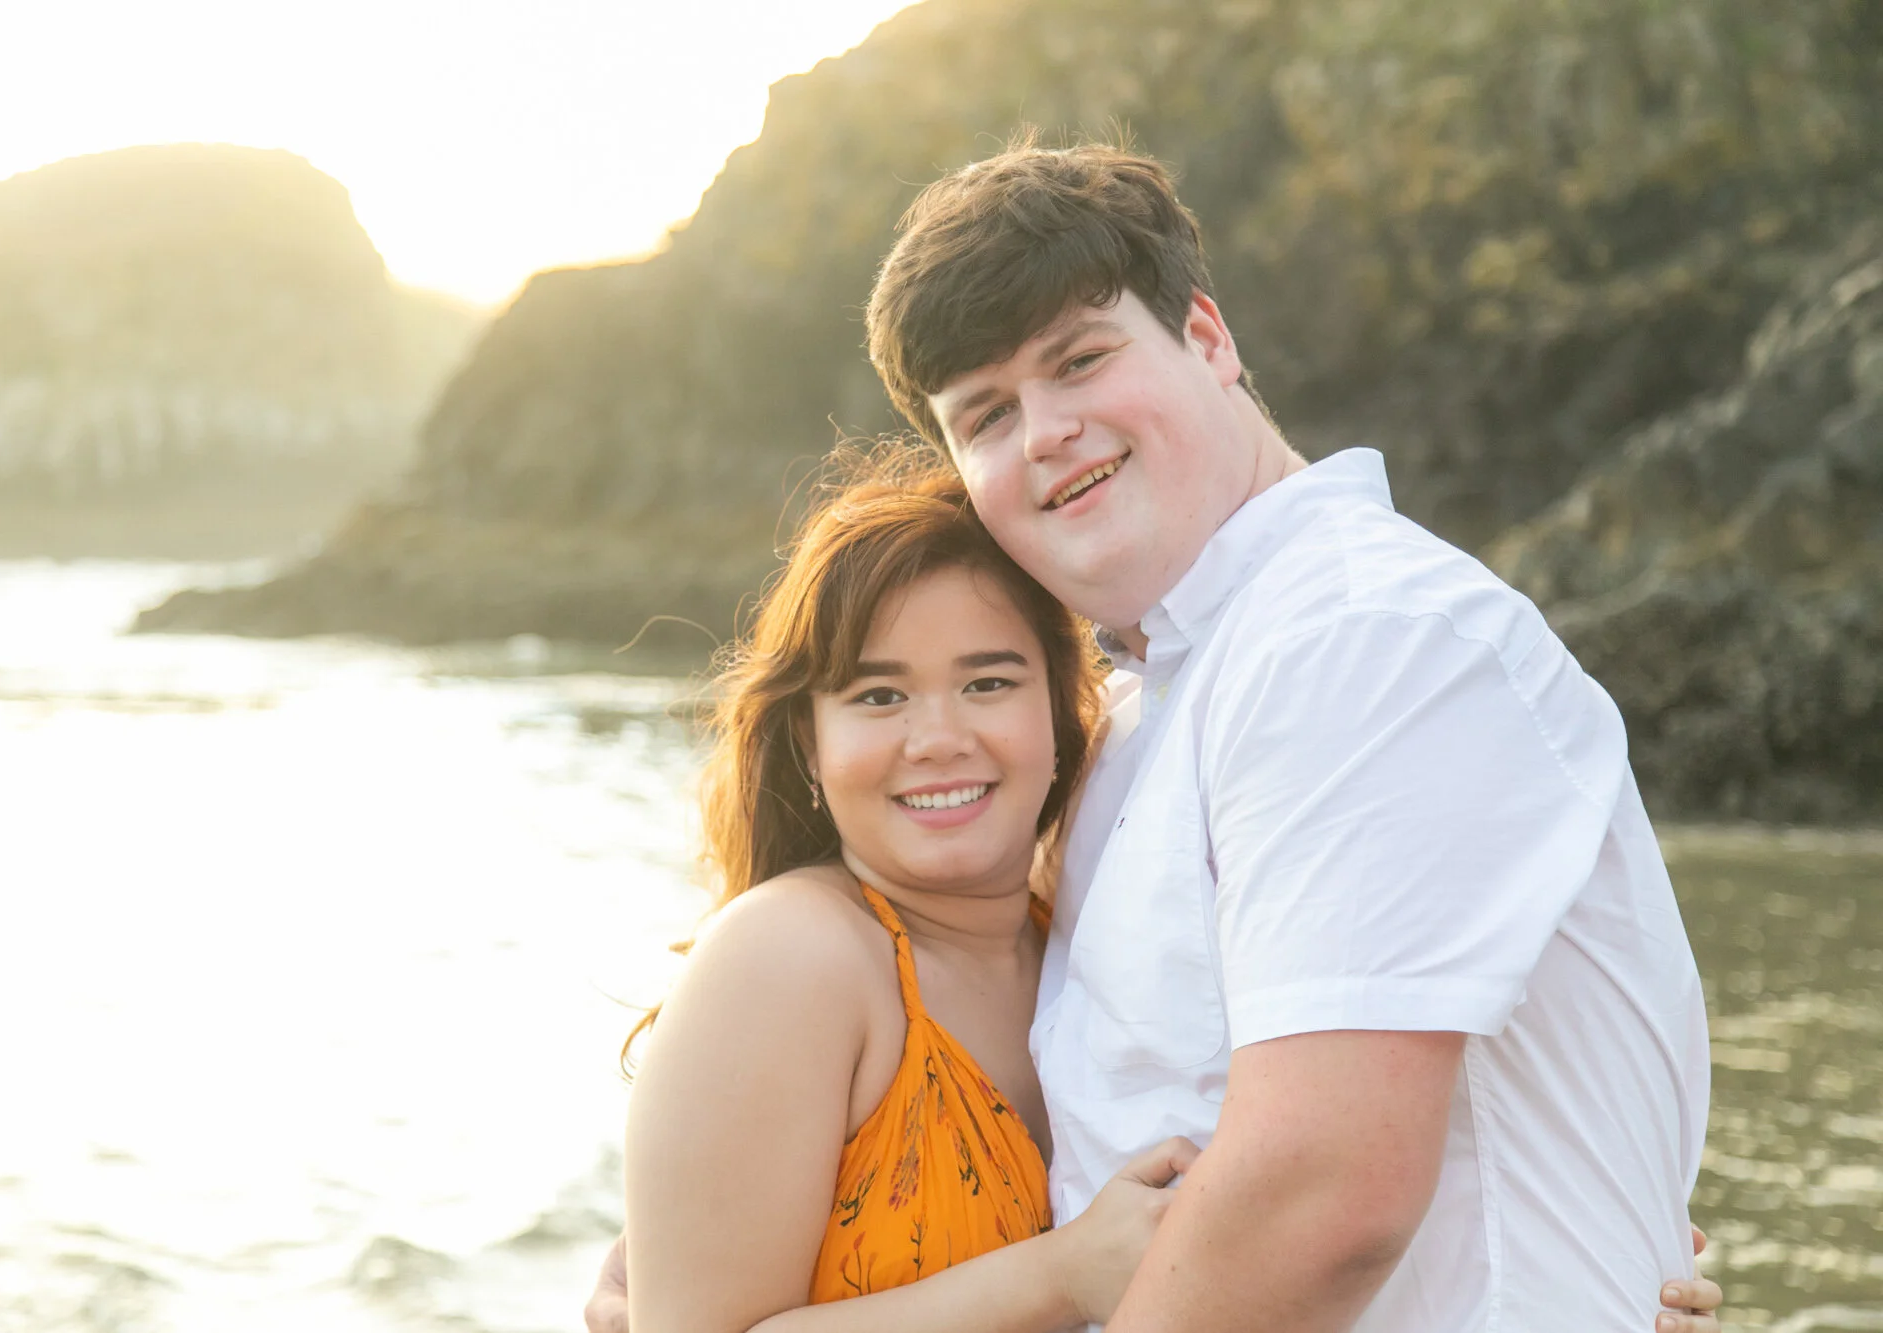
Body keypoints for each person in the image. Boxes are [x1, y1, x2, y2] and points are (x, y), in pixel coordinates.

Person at [594, 141, 1724, 1332]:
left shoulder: (1357, 639)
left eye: (1078, 360)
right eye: (984, 415)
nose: (1043, 431)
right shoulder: (1136, 719)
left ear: (1207, 338)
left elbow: (1324, 1196)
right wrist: (696, 1222)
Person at [622, 449, 1201, 1333]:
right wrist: (1060, 1276)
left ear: (1061, 713)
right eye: (880, 694)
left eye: (987, 682)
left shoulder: (1086, 926)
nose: (937, 737)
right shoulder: (791, 956)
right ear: (810, 747)